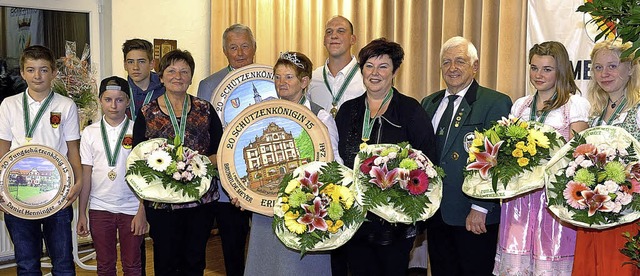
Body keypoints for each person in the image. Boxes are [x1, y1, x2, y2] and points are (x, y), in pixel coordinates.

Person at [335, 38, 436, 275]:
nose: (375, 73)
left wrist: (412, 214)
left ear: (395, 71)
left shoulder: (410, 110)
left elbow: (429, 163)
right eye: (369, 66)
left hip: (395, 224)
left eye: (383, 66)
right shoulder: (348, 110)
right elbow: (335, 159)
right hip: (354, 219)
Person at [493, 41, 590, 275]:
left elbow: (579, 155)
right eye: (534, 67)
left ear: (561, 70)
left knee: (550, 264)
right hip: (519, 198)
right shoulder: (520, 105)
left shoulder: (574, 104)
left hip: (554, 199)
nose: (538, 74)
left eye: (547, 69)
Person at [243, 51, 341, 276]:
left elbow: (334, 165)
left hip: (303, 209)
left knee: (300, 267)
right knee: (265, 264)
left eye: (288, 77)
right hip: (264, 209)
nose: (281, 83)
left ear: (304, 81)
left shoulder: (321, 117)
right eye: (277, 77)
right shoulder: (263, 114)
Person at [421, 36, 512, 276]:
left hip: (473, 215)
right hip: (436, 212)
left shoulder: (495, 102)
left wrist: (481, 207)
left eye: (460, 61)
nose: (452, 68)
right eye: (446, 62)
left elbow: (497, 159)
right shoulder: (429, 103)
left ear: (475, 65)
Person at [132, 49, 223, 276]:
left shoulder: (205, 110)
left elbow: (221, 151)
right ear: (161, 77)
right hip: (162, 205)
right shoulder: (147, 112)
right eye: (171, 70)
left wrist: (196, 165)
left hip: (200, 201)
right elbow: (138, 160)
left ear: (191, 77)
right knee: (165, 262)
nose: (178, 76)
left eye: (184, 71)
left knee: (194, 261)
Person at [0, 45, 83, 275]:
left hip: (57, 191)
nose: (37, 76)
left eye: (44, 69)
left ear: (54, 72)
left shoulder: (65, 105)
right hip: (17, 192)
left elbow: (73, 150)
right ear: (23, 72)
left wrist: (78, 183)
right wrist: (1, 188)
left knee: (64, 262)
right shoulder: (9, 105)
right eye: (31, 69)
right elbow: (3, 149)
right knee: (27, 263)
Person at [572, 40, 640, 276]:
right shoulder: (596, 113)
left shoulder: (638, 109)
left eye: (612, 66)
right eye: (598, 68)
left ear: (630, 68)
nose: (604, 74)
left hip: (629, 213)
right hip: (595, 209)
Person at [196, 23, 255, 276]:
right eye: (233, 47)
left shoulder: (272, 79)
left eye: (245, 46)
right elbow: (203, 132)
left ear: (254, 48)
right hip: (226, 180)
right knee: (232, 243)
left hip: (265, 173)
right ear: (224, 51)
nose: (240, 53)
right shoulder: (208, 85)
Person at [76, 76, 147, 276]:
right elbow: (86, 175)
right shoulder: (89, 133)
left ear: (128, 101)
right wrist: (82, 213)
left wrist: (142, 210)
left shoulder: (138, 130)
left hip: (131, 207)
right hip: (100, 208)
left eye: (119, 100)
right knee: (105, 266)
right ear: (100, 100)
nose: (113, 105)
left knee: (132, 265)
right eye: (108, 99)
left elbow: (146, 175)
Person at [308, 15, 365, 118]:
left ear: (353, 39)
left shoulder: (365, 77)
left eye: (341, 31)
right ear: (324, 40)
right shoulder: (312, 78)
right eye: (329, 32)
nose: (334, 36)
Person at [122, 39, 165, 121]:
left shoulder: (165, 91)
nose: (135, 67)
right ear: (125, 65)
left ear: (151, 64)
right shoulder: (121, 92)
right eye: (130, 62)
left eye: (141, 61)